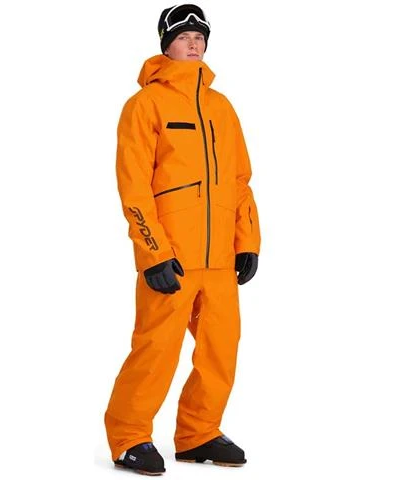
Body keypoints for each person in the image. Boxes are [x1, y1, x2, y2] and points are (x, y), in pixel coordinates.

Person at [104, 3, 261, 475]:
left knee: (220, 350)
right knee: (156, 350)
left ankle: (199, 434)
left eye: (200, 37)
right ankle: (129, 437)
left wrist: (247, 240)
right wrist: (152, 252)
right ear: (165, 45)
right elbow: (133, 186)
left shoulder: (221, 107)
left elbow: (239, 179)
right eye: (183, 36)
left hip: (219, 260)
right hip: (171, 256)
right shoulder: (145, 105)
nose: (193, 43)